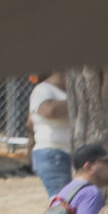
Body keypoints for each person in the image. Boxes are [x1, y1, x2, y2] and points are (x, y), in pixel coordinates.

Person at [28, 70, 73, 198]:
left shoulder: (67, 92)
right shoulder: (42, 89)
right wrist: (78, 101)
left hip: (68, 153)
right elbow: (50, 111)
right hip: (52, 154)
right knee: (61, 202)